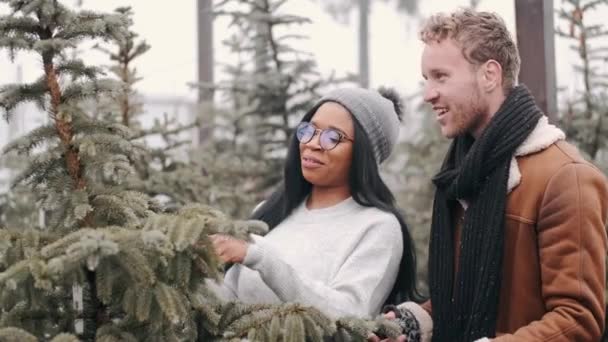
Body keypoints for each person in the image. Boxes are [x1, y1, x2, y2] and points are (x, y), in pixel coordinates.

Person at [370, 8, 608, 342]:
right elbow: (466, 295)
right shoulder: (463, 176)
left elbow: (578, 321)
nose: (428, 94)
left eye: (441, 76)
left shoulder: (566, 178)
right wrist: (415, 323)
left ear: (490, 75)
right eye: (426, 79)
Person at [209, 87, 420, 319]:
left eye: (332, 137)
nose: (312, 143)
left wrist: (259, 257)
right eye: (309, 130)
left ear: (364, 154)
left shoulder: (378, 227)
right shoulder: (268, 212)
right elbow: (229, 299)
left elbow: (350, 317)